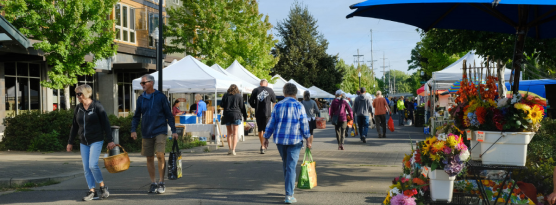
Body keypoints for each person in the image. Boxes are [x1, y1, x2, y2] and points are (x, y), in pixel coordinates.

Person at [263, 83, 312, 204]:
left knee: (286, 165)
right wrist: (308, 139)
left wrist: (266, 137)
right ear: (295, 93)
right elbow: (304, 124)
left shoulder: (278, 105)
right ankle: (289, 194)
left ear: (284, 92)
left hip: (280, 140)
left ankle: (288, 190)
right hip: (295, 140)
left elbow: (271, 123)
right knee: (290, 166)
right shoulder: (299, 106)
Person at [67, 84, 116, 201]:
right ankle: (92, 191)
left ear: (87, 93)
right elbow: (74, 126)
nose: (78, 96)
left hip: (96, 140)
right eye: (76, 94)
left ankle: (103, 187)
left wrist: (110, 140)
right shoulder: (78, 108)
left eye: (80, 94)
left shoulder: (97, 106)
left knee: (92, 165)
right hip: (83, 142)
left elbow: (106, 123)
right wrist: (70, 142)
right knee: (86, 168)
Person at [131, 74, 178, 194]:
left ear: (151, 83)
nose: (142, 85)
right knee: (149, 157)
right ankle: (153, 183)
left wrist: (173, 130)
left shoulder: (161, 97)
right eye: (141, 83)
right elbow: (136, 116)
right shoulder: (141, 99)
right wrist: (133, 129)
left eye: (144, 83)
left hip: (160, 130)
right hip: (146, 131)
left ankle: (161, 182)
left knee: (160, 154)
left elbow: (169, 115)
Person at [249, 79, 276, 154]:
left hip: (258, 112)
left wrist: (255, 106)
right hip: (267, 112)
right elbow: (274, 100)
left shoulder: (255, 90)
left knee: (260, 130)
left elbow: (251, 101)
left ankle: (262, 145)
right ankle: (263, 145)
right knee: (265, 130)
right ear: (266, 84)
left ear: (260, 83)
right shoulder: (270, 90)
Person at [220, 84, 247, 156]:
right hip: (236, 115)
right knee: (235, 133)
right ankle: (233, 150)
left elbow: (222, 105)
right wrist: (245, 116)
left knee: (229, 133)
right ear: (237, 89)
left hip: (227, 115)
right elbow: (242, 107)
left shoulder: (225, 95)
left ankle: (229, 149)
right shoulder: (239, 96)